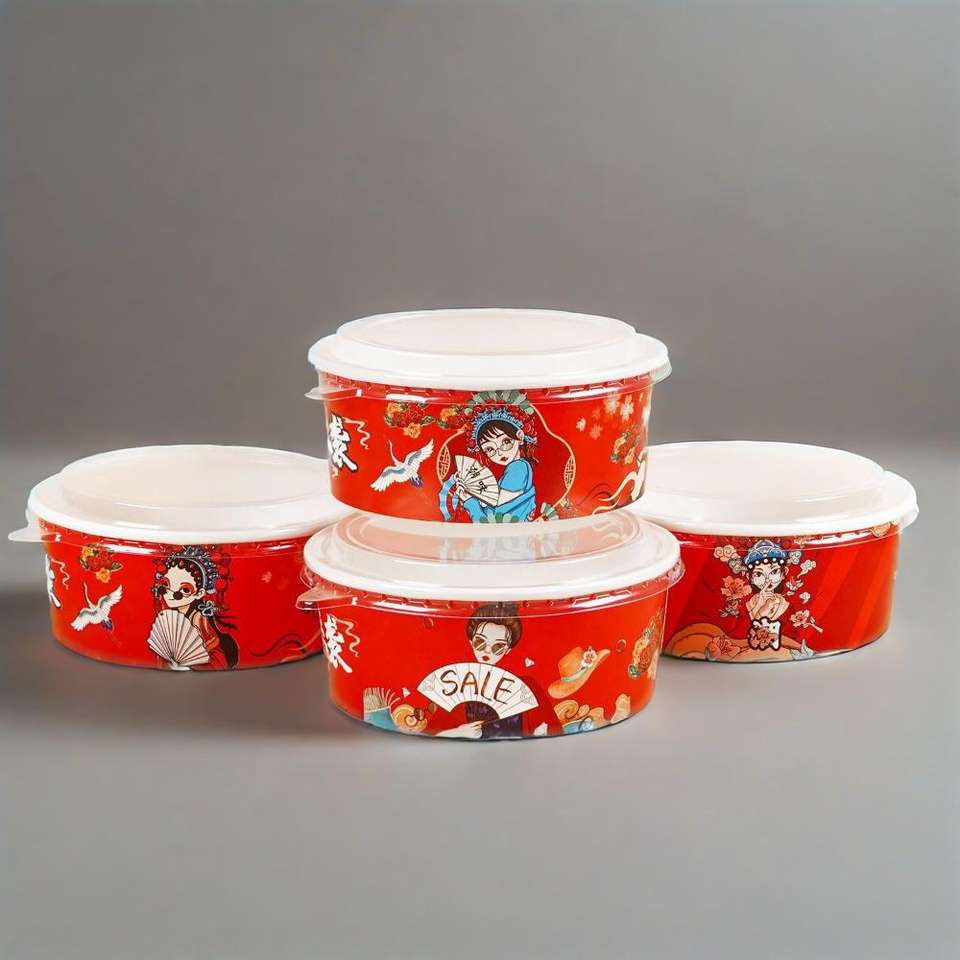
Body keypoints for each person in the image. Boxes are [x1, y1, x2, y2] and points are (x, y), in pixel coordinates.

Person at [150, 546, 239, 669]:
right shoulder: (164, 612)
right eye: (166, 584)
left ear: (199, 593)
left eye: (185, 590)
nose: (170, 593)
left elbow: (215, 656)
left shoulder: (199, 619)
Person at [446, 408, 538, 522]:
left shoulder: (518, 467)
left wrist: (471, 499)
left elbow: (497, 510)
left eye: (506, 442)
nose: (499, 453)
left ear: (520, 436)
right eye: (490, 449)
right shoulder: (519, 467)